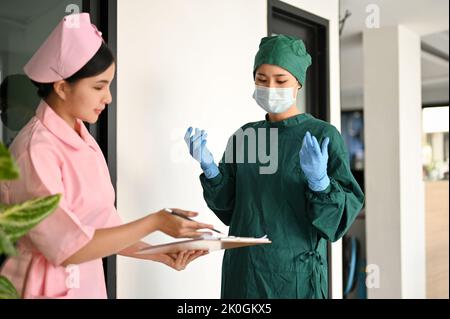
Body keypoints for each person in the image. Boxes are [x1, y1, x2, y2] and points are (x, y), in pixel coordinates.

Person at [0, 13, 211, 299]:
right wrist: (156, 221)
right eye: (99, 86)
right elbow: (68, 246)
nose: (108, 97)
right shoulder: (35, 151)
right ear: (62, 87)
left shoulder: (83, 139)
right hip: (40, 288)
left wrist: (159, 253)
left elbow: (103, 227)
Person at [185, 35, 365, 298]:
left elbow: (337, 221)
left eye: (281, 80)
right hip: (244, 273)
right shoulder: (246, 136)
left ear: (298, 83)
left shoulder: (321, 134)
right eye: (262, 79)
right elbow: (230, 208)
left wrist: (321, 183)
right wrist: (211, 169)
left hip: (294, 276)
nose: (270, 87)